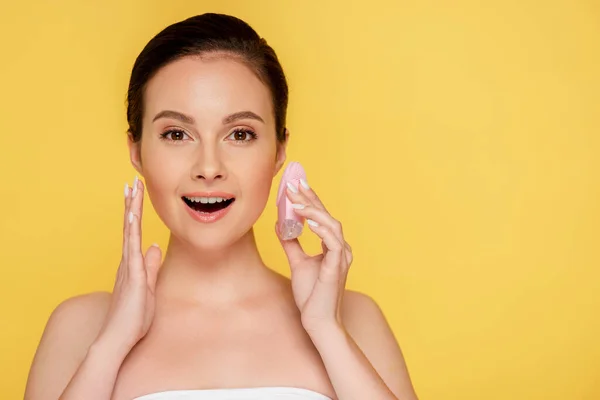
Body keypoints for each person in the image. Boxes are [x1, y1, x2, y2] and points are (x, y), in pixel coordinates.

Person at [24, 13, 418, 400]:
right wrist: (109, 347)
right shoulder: (79, 328)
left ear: (279, 150)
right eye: (177, 134)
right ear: (136, 150)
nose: (209, 168)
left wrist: (327, 332)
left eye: (240, 134)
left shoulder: (352, 319)